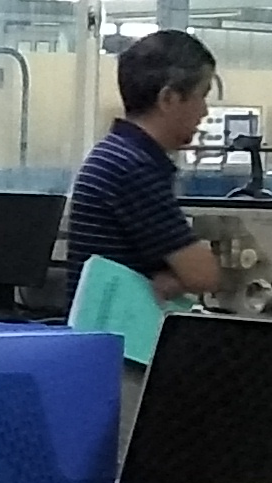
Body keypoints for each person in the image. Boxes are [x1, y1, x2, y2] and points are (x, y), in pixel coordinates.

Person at [58, 27, 223, 298]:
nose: (204, 112)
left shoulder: (113, 155)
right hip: (123, 325)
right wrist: (182, 278)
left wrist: (171, 279)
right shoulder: (134, 169)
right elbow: (202, 275)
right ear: (168, 99)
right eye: (201, 96)